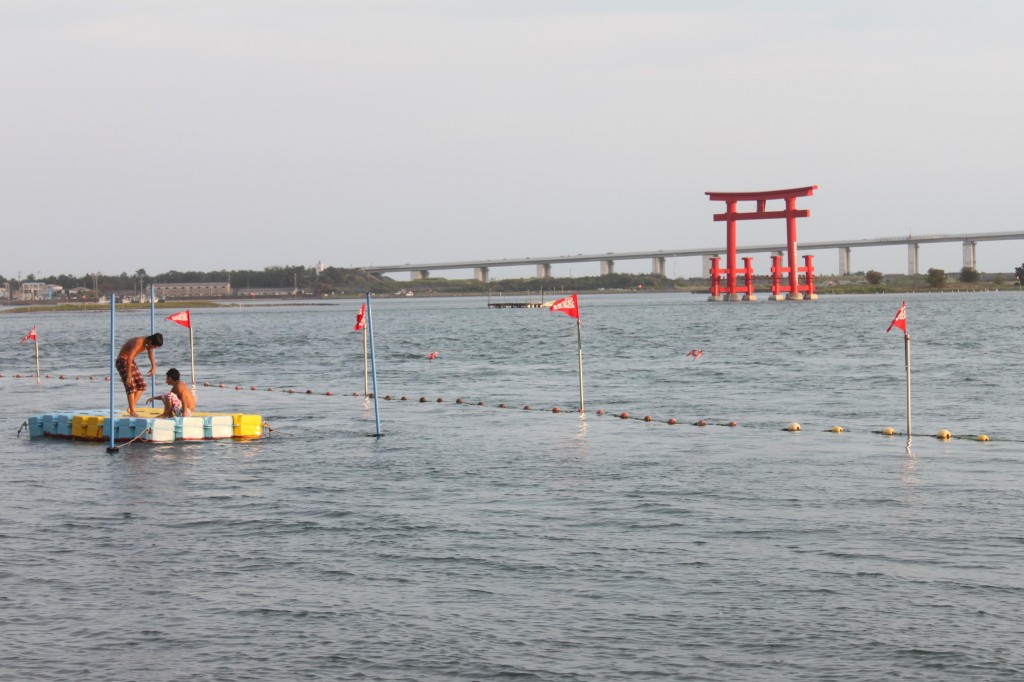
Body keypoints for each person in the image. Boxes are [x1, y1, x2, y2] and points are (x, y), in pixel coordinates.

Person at [116, 333, 163, 417]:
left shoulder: (147, 343)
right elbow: (129, 358)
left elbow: (150, 353)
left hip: (130, 362)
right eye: (154, 346)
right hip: (123, 361)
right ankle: (132, 412)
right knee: (131, 386)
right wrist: (128, 376)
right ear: (151, 341)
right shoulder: (139, 342)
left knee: (142, 385)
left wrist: (153, 366)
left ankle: (131, 408)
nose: (153, 348)